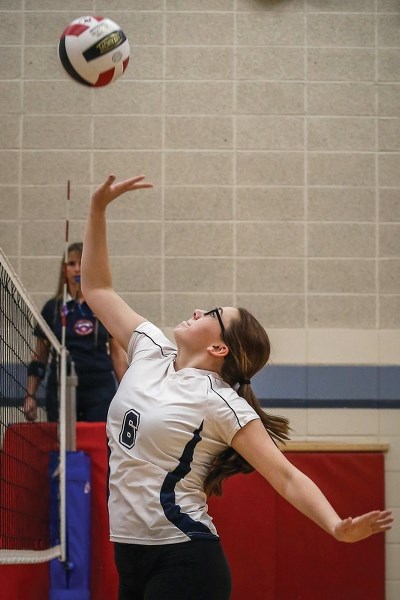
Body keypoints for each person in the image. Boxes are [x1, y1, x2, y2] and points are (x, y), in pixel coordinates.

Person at [81, 174, 393, 600]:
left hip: (185, 561)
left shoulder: (221, 403)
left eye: (210, 312)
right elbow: (97, 288)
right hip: (129, 556)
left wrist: (337, 527)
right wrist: (97, 211)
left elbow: (285, 476)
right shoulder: (149, 347)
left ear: (218, 345)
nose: (195, 309)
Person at [24, 242, 127, 423]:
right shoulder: (53, 308)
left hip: (99, 389)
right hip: (61, 389)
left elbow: (117, 354)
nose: (77, 269)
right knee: (62, 446)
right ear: (64, 269)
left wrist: (129, 395)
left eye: (82, 263)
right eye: (71, 264)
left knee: (99, 444)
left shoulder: (104, 307)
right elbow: (40, 355)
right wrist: (30, 394)